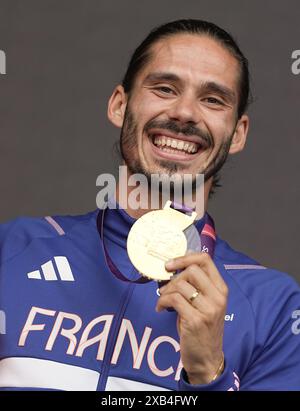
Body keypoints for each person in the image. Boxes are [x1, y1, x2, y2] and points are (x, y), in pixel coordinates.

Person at [0, 19, 299, 391]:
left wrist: (208, 373)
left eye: (212, 99)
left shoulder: (276, 307)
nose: (185, 113)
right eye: (165, 88)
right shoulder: (12, 249)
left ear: (237, 134)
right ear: (119, 105)